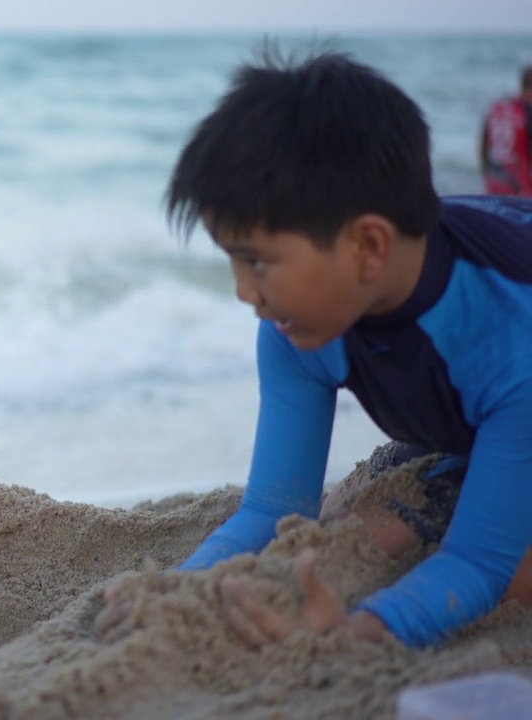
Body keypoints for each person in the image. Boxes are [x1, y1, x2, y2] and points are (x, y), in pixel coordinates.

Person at [136, 50, 532, 651]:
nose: (245, 293)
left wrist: (355, 633)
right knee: (376, 508)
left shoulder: (507, 341)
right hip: (483, 400)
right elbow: (271, 508)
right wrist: (176, 589)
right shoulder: (294, 325)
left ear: (368, 247)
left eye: (258, 262)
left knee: (508, 579)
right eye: (234, 261)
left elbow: (478, 565)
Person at [479, 65, 532, 196]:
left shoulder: (497, 108)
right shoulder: (528, 111)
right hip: (522, 193)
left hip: (495, 189)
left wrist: (487, 176)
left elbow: (483, 147)